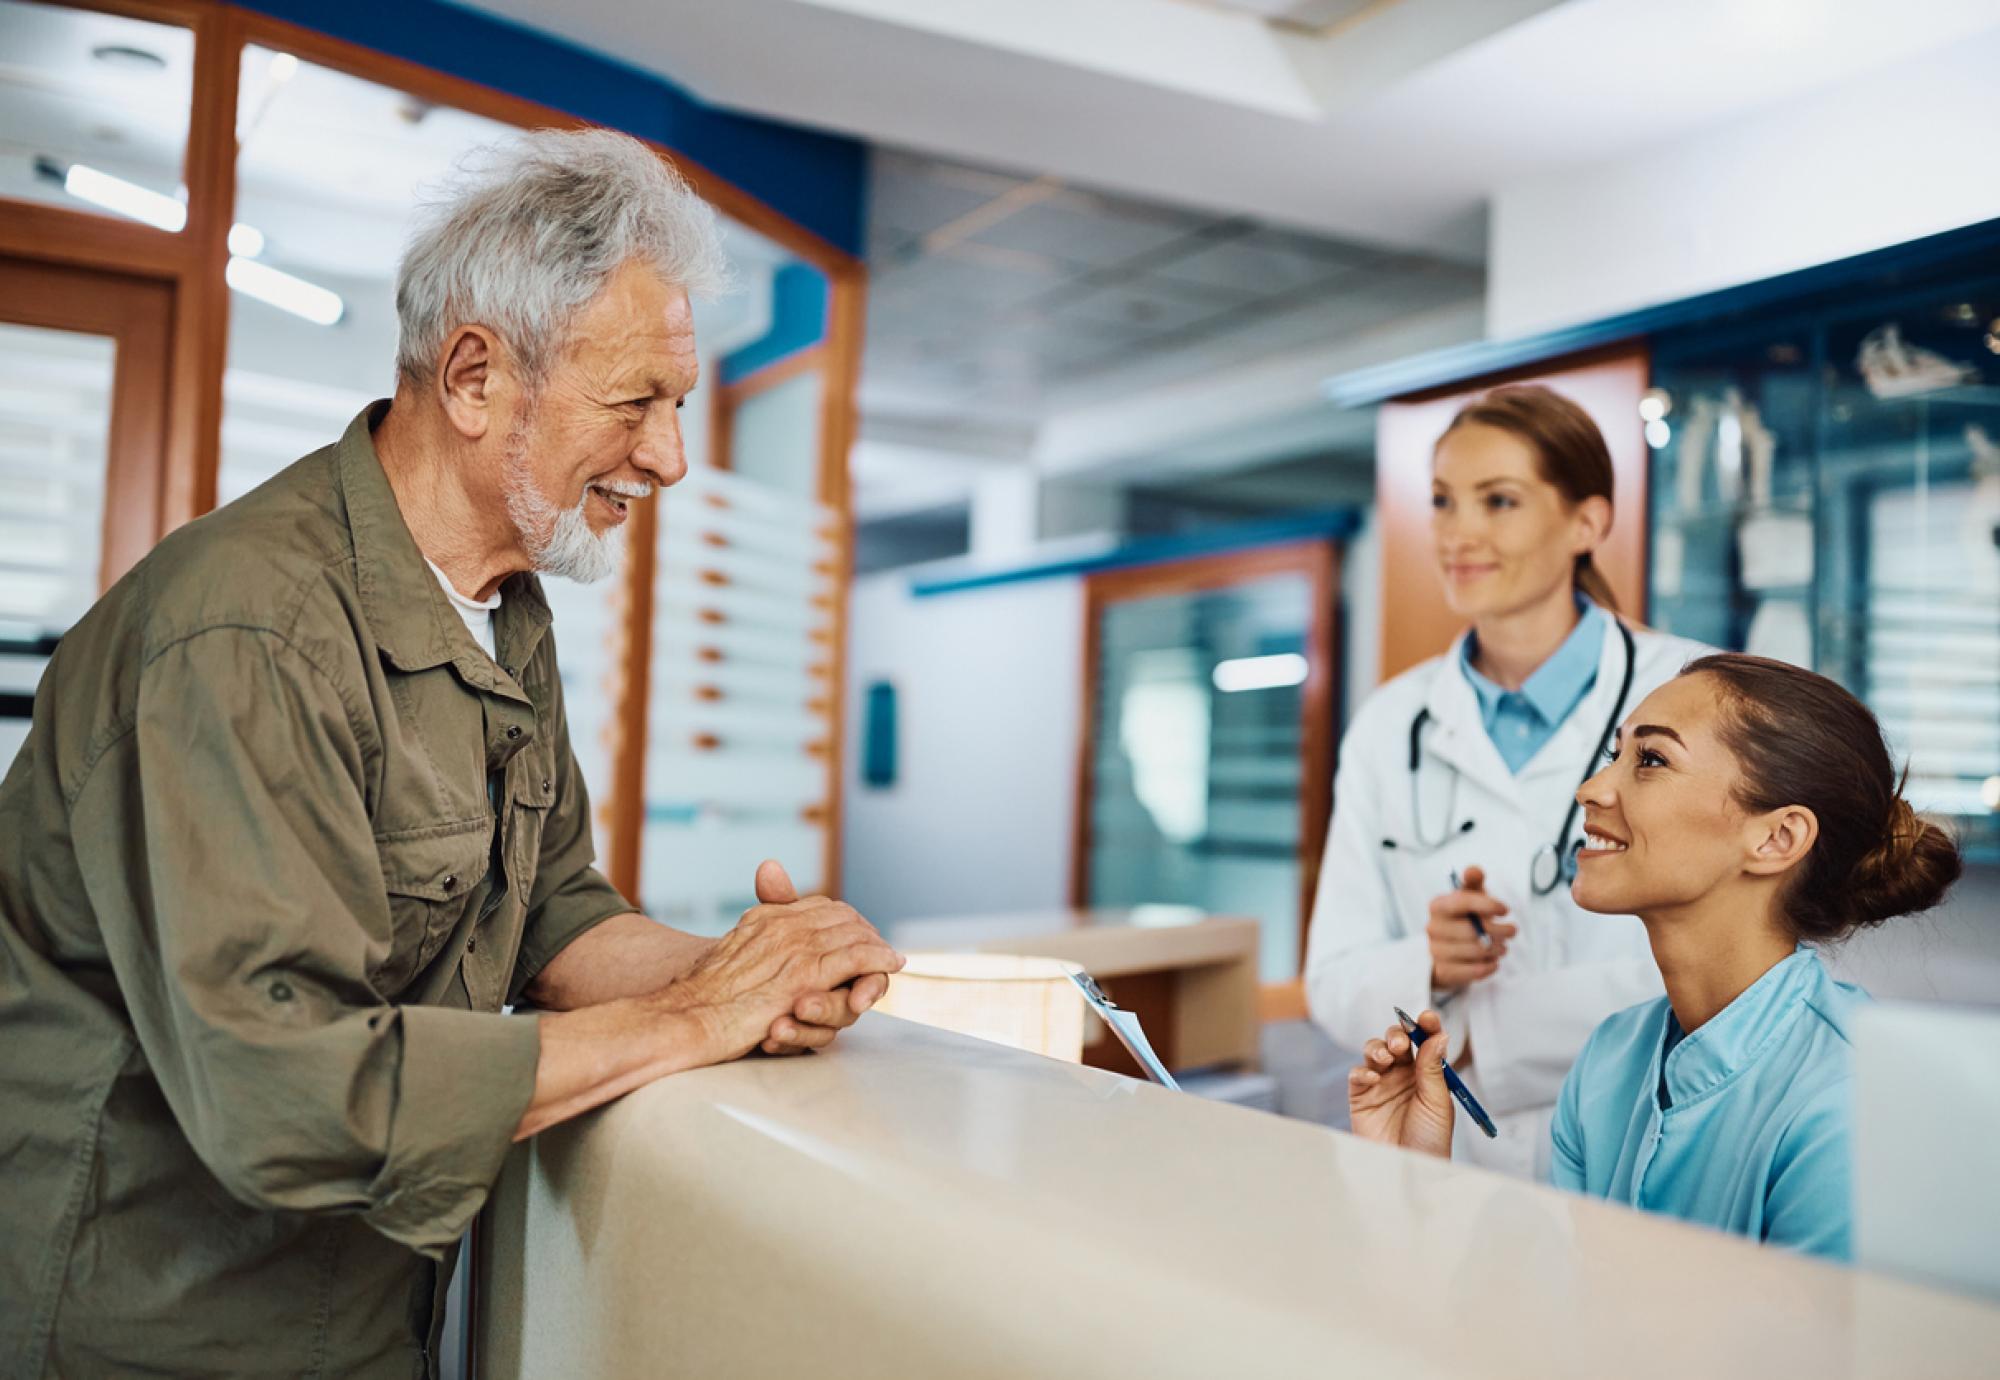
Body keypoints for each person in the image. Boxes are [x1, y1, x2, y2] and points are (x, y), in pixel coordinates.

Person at [0, 128, 904, 1378]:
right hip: (153, 1330)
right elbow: (287, 1087)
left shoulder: (500, 607)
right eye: (634, 401)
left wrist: (747, 973)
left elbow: (552, 916)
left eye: (679, 406)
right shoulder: (247, 632)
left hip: (362, 1316)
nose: (671, 456)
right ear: (475, 377)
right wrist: (694, 1019)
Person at [1348, 654, 1962, 1260]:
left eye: (1651, 759)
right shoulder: (1610, 1061)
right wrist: (1412, 1181)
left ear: (1777, 838)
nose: (1591, 790)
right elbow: (1570, 1332)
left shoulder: (1848, 1101)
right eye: (1614, 755)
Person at [1306, 385, 1707, 1177]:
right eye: (1444, 502)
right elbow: (1331, 980)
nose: (1459, 534)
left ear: (1587, 522)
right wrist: (1428, 961)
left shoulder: (1695, 693)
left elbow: (1730, 960)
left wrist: (1488, 1031)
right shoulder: (1392, 722)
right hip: (1449, 1162)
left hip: (1643, 1149)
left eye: (1499, 501)